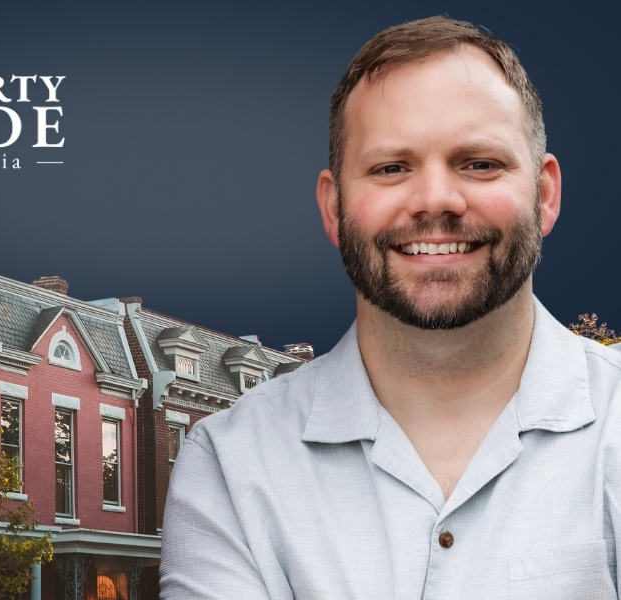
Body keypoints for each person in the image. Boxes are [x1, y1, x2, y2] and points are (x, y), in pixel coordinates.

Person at [160, 16, 621, 599]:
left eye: (478, 163)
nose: (435, 200)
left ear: (545, 194)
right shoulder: (230, 466)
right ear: (333, 208)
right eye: (391, 168)